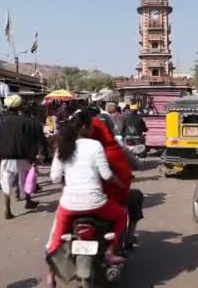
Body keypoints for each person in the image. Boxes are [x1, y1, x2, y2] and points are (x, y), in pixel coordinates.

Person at [46, 110, 127, 287]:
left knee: (55, 240)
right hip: (96, 204)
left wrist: (67, 186)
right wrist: (119, 183)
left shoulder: (62, 145)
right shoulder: (95, 145)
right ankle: (111, 252)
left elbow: (54, 178)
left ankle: (50, 276)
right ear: (84, 127)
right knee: (121, 215)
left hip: (69, 206)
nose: (92, 128)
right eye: (91, 125)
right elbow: (106, 175)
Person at [87, 106, 144, 248]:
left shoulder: (76, 146)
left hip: (77, 200)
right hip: (108, 199)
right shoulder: (116, 147)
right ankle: (128, 238)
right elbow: (135, 164)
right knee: (135, 197)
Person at [0, 95, 49, 219]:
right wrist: (34, 156)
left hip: (6, 156)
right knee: (25, 179)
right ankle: (28, 201)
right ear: (19, 107)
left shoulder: (3, 121)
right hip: (21, 156)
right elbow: (28, 140)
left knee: (6, 183)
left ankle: (7, 209)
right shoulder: (24, 121)